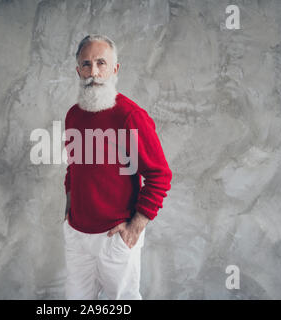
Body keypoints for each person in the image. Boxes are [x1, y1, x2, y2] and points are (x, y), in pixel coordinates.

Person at [63, 34, 172, 300]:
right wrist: (69, 209)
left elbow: (160, 175)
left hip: (115, 235)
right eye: (86, 64)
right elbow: (74, 169)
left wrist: (135, 226)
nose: (94, 72)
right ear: (78, 71)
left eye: (101, 63)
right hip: (77, 234)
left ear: (115, 69)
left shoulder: (129, 115)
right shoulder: (73, 115)